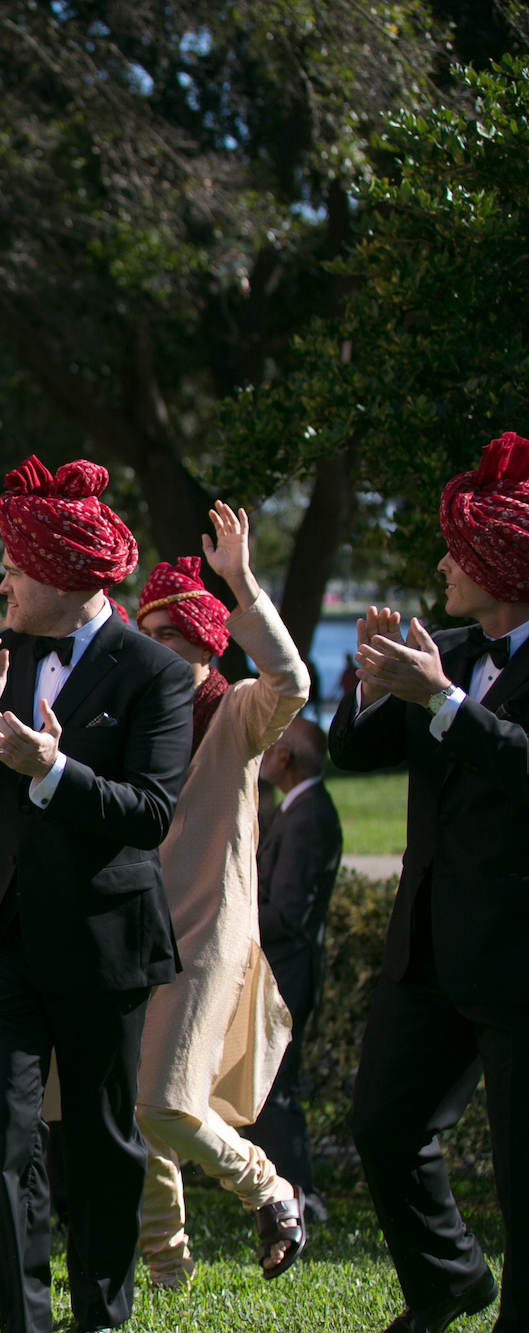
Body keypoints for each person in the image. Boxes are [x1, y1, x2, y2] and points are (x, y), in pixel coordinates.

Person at [0, 456, 193, 1333]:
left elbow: (148, 814)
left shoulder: (155, 673)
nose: (2, 581)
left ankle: (99, 1316)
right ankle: (23, 1321)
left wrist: (52, 771)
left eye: (15, 568)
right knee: (7, 1134)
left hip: (103, 940)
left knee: (104, 1144)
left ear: (66, 578)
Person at [333, 432, 529, 1333]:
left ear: (506, 565)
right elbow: (356, 751)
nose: (444, 563)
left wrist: (444, 701)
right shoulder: (440, 648)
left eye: (459, 549)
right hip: (431, 947)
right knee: (383, 1123)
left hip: (518, 953)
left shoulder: (450, 675)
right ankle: (449, 1278)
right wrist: (376, 687)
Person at [129, 506, 311, 1288]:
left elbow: (293, 681)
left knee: (165, 1102)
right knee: (141, 1110)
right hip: (134, 925)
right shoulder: (134, 715)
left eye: (171, 637)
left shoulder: (236, 711)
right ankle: (167, 1271)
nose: (156, 650)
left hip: (209, 933)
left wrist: (240, 580)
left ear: (206, 643)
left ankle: (267, 1185)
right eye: (148, 635)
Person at [243, 716, 341, 1223]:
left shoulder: (308, 818)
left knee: (276, 1088)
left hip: (287, 974)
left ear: (285, 760)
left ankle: (300, 1196)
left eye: (273, 746)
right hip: (282, 970)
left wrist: (231, 913)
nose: (264, 752)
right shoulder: (294, 810)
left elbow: (286, 915)